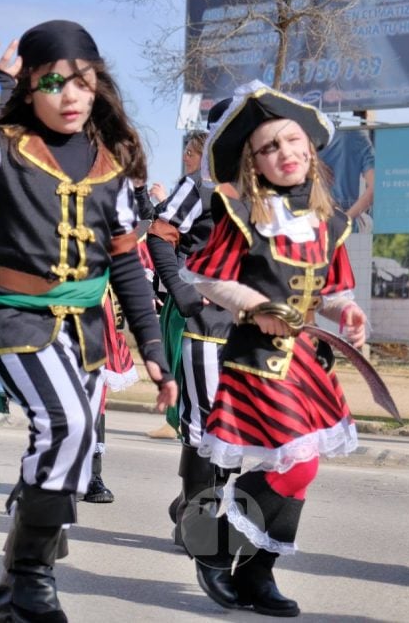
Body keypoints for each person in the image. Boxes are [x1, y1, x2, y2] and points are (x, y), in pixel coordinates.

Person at [0, 21, 175, 622]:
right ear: (31, 88)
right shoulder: (5, 144)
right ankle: (33, 579)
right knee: (66, 424)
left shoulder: (111, 167)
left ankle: (18, 577)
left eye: (83, 82)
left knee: (79, 440)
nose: (71, 95)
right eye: (53, 82)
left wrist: (151, 344)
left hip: (86, 333)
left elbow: (127, 266)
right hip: (17, 320)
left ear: (98, 88)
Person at [181, 81, 366, 617]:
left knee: (299, 469)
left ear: (310, 147)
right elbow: (207, 278)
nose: (285, 153)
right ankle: (213, 546)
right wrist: (257, 306)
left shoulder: (329, 220)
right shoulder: (244, 212)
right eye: (270, 148)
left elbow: (332, 294)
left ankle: (258, 576)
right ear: (253, 162)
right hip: (255, 360)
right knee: (296, 465)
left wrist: (349, 313)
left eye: (292, 142)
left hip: (304, 360)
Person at [145, 105, 237, 550]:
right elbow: (160, 236)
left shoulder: (264, 192)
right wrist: (183, 292)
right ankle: (196, 519)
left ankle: (190, 503)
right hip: (202, 323)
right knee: (204, 423)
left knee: (237, 426)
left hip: (247, 329)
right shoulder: (197, 186)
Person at [319, 116, 375, 232]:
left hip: (312, 221)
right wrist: (346, 219)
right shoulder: (357, 136)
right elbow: (374, 189)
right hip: (346, 224)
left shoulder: (301, 138)